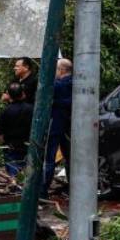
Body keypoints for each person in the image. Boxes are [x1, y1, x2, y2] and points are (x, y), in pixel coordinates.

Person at [43, 58, 74, 194]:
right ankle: (72, 188)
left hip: (56, 125)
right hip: (71, 127)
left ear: (61, 70)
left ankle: (43, 190)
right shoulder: (76, 84)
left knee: (49, 158)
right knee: (70, 158)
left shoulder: (57, 86)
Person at [0, 82, 33, 175]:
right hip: (28, 145)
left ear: (9, 95)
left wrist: (1, 144)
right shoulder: (31, 109)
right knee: (27, 172)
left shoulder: (6, 111)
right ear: (23, 94)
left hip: (11, 147)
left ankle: (15, 184)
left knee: (13, 174)